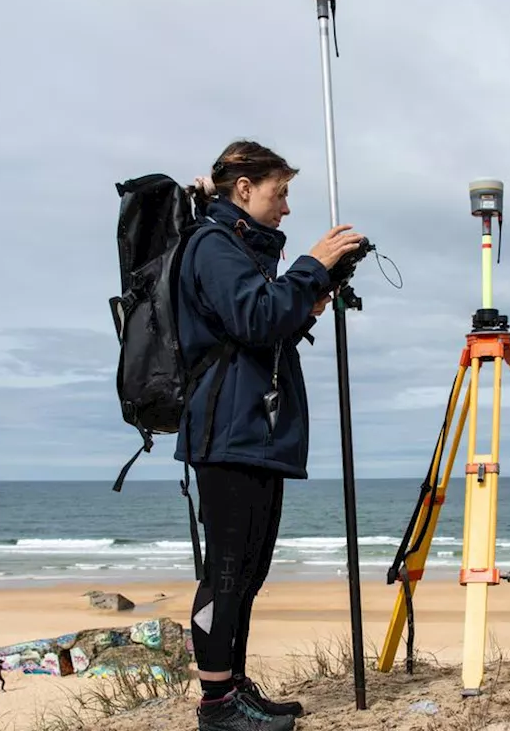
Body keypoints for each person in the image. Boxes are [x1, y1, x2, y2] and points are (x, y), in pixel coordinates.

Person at [174, 139, 364, 731]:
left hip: (253, 429)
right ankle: (216, 705)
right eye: (280, 194)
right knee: (227, 569)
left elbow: (263, 320)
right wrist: (311, 267)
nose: (285, 208)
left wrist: (307, 296)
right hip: (226, 431)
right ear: (244, 189)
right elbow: (254, 317)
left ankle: (232, 685)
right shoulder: (212, 245)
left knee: (248, 568)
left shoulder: (241, 250)